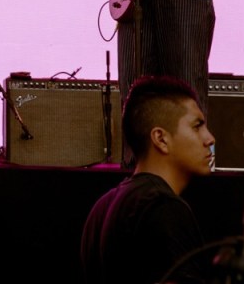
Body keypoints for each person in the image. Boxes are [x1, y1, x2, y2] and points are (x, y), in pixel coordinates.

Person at [80, 76, 215, 284]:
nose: (210, 139)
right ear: (161, 139)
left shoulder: (101, 208)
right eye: (197, 126)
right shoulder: (164, 207)